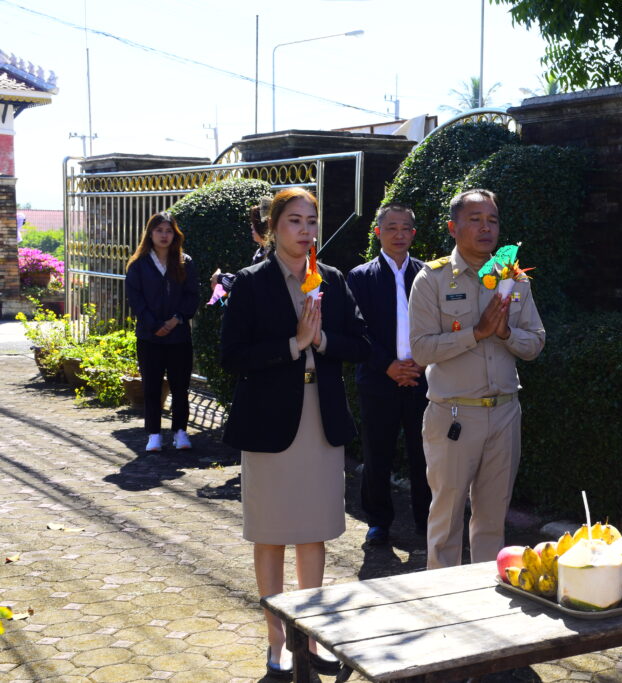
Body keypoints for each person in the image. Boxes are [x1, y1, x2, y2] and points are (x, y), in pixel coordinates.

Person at [219, 188, 370, 678]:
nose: (305, 231)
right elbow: (231, 356)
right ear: (272, 227)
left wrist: (320, 339)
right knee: (270, 535)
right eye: (294, 221)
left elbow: (361, 344)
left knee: (312, 531)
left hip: (320, 420)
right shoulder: (250, 282)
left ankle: (311, 635)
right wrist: (293, 343)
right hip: (268, 423)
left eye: (311, 221)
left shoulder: (332, 279)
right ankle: (277, 640)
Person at [408, 189, 545, 569]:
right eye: (475, 219)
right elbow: (421, 350)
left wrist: (505, 334)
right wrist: (477, 333)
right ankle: (442, 597)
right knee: (446, 518)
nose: (486, 228)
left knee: (492, 519)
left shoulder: (514, 279)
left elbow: (535, 343)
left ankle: (485, 593)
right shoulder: (432, 279)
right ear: (453, 227)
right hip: (454, 414)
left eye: (492, 220)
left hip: (504, 412)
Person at [346, 203, 430, 546]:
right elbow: (357, 329)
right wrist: (388, 366)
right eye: (391, 228)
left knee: (425, 454)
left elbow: (439, 324)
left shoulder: (428, 274)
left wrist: (421, 362)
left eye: (405, 228)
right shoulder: (360, 276)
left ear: (413, 233)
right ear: (378, 232)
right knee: (377, 453)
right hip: (378, 379)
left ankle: (428, 521)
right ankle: (378, 522)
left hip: (422, 378)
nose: (399, 234)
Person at [125, 211, 199, 453]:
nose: (164, 235)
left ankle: (180, 432)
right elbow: (136, 300)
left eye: (169, 231)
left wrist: (176, 320)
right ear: (150, 234)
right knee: (151, 387)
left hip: (179, 336)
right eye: (159, 230)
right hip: (149, 337)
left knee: (180, 387)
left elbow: (192, 296)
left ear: (175, 234)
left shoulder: (185, 262)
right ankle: (154, 434)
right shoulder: (138, 264)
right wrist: (155, 325)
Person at [210, 197, 272, 295]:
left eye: (255, 223)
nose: (251, 226)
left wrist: (220, 278)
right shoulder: (261, 251)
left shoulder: (273, 254)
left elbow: (247, 285)